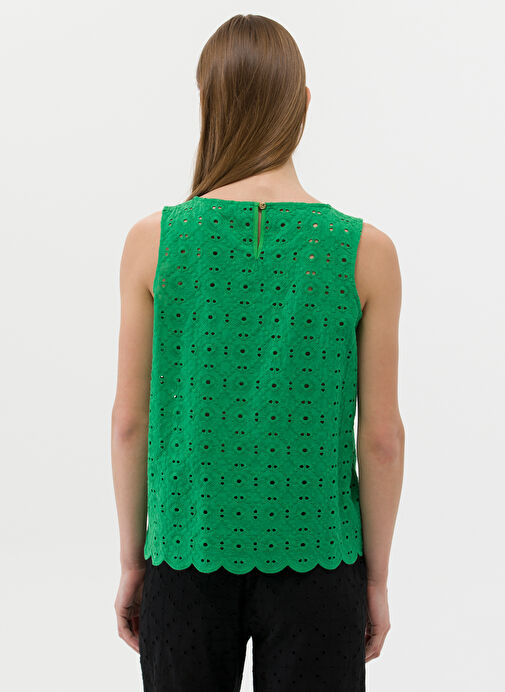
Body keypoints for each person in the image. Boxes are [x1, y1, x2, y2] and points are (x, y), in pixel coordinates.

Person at [111, 13, 404, 692]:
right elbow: (381, 438)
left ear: (208, 104)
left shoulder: (153, 242)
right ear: (303, 104)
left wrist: (132, 562)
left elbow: (129, 422)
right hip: (320, 559)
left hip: (185, 551)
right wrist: (377, 579)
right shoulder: (366, 251)